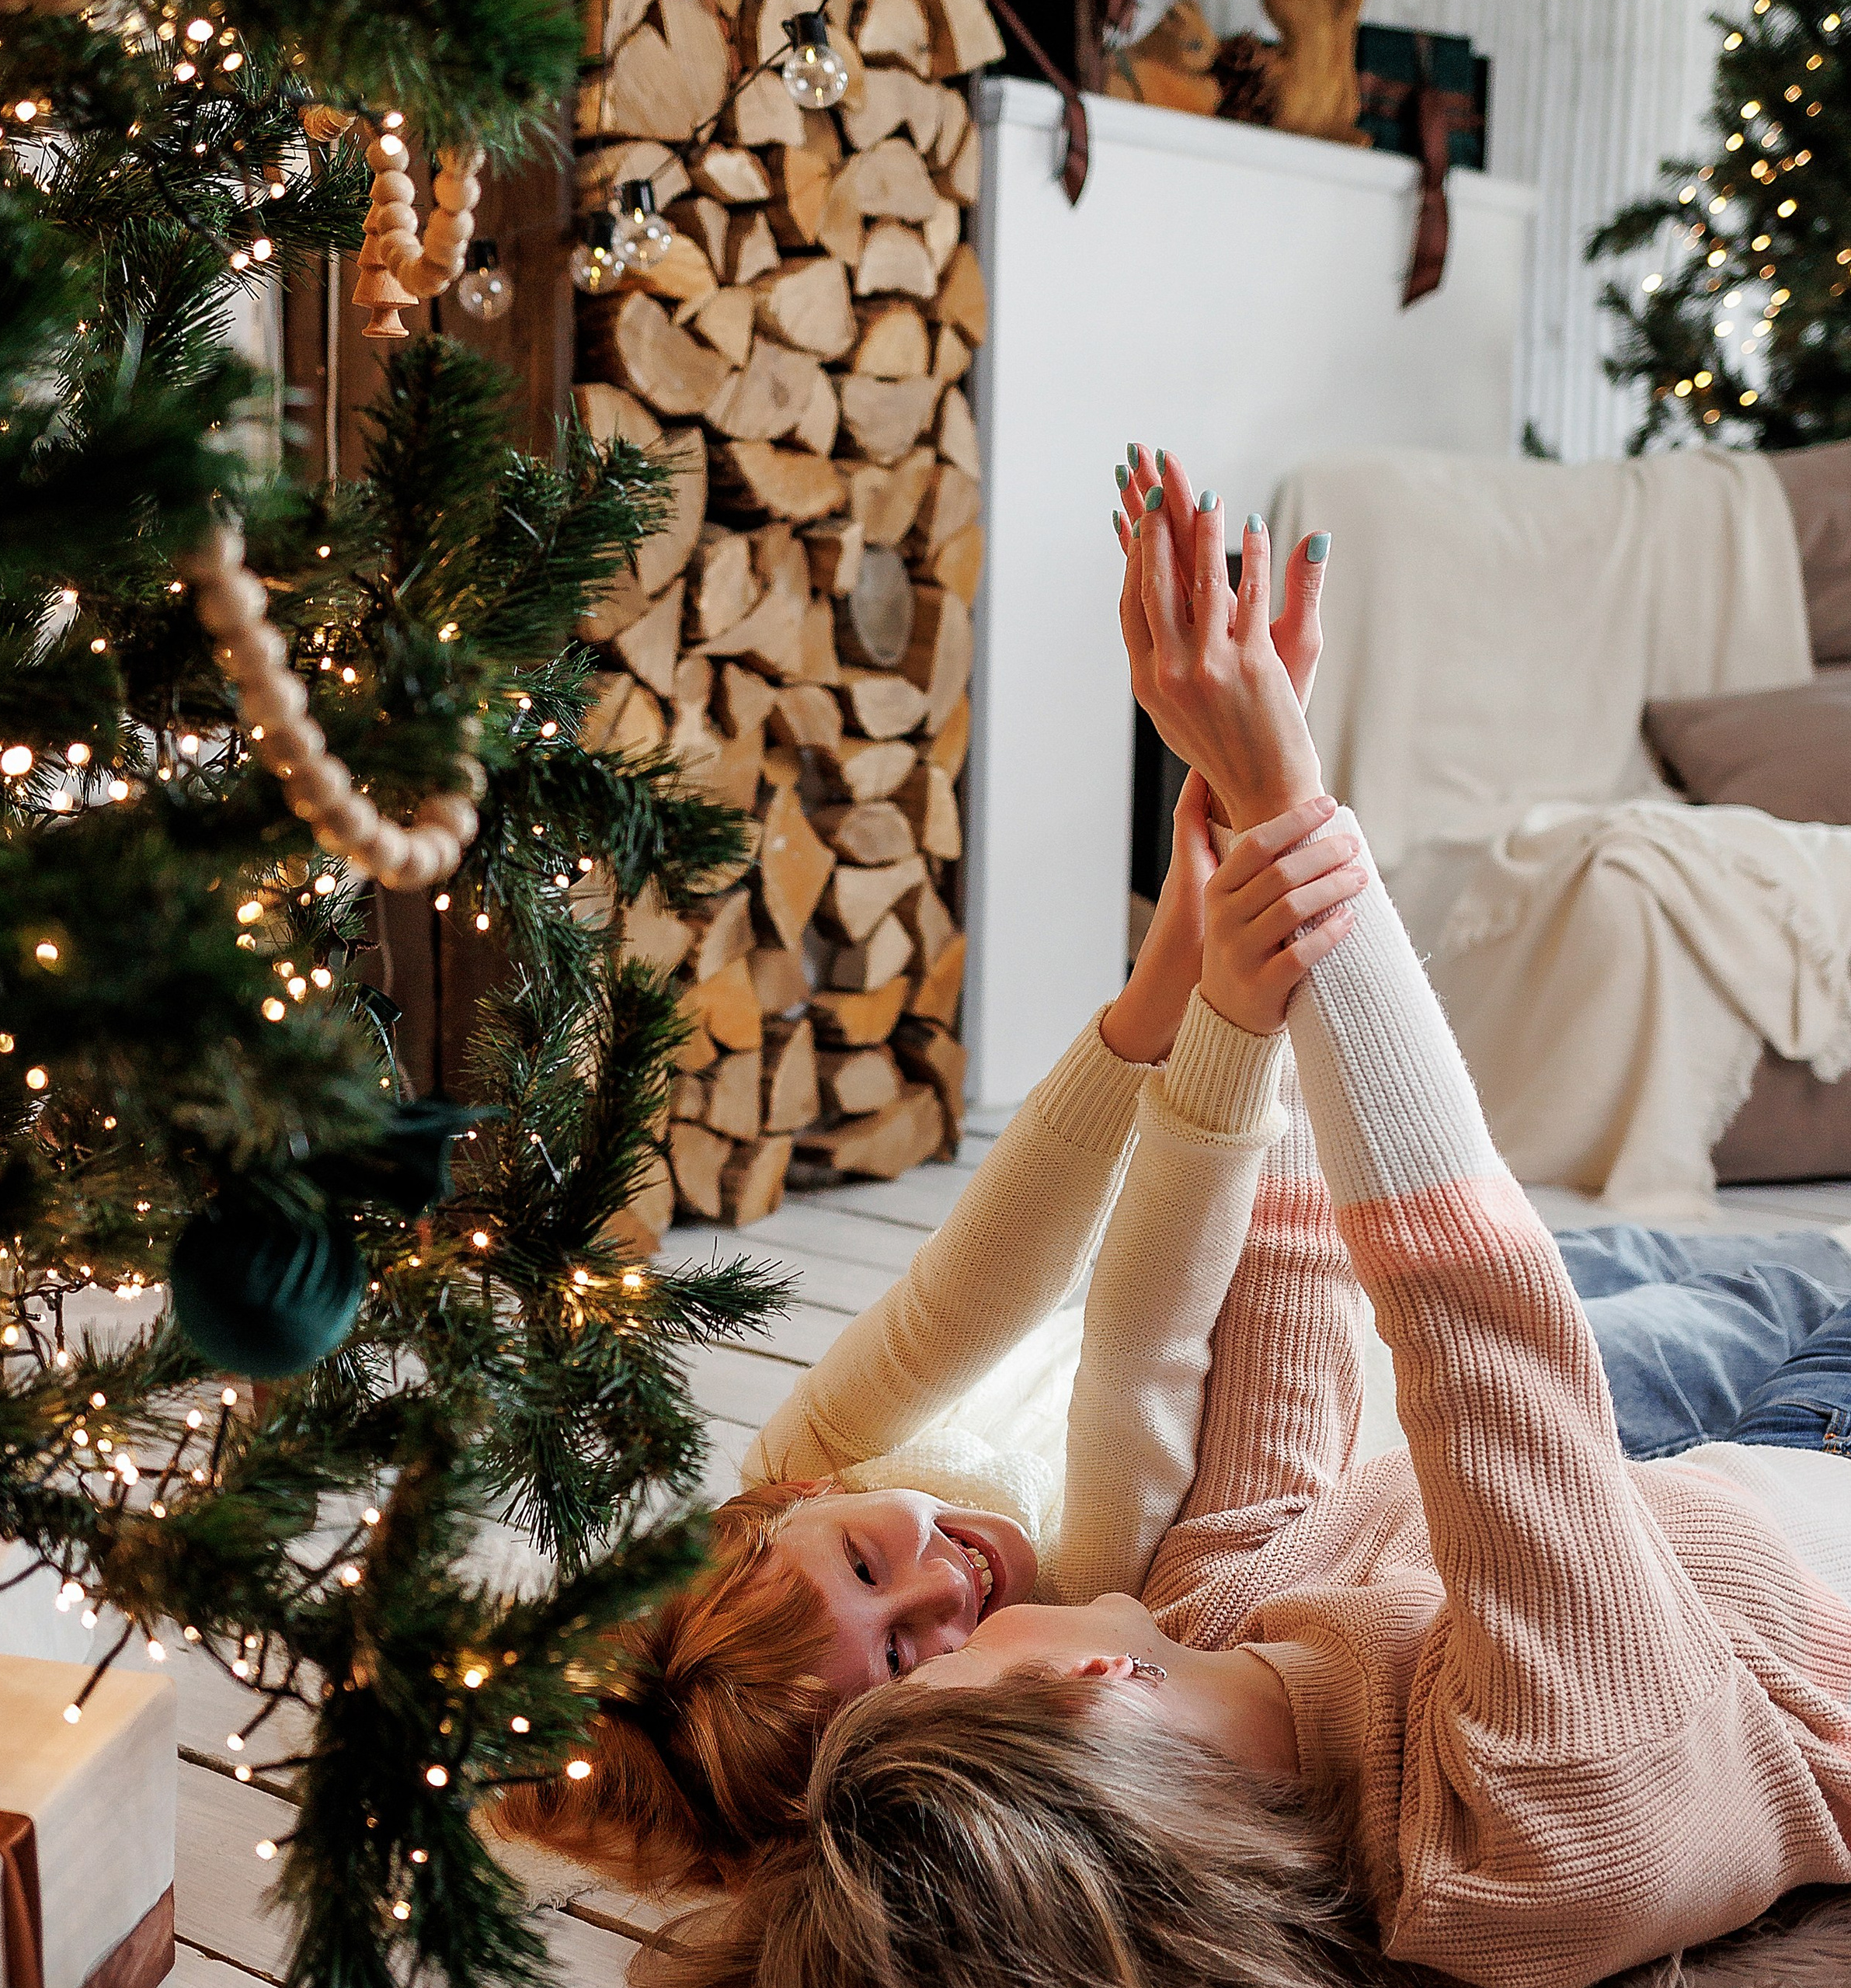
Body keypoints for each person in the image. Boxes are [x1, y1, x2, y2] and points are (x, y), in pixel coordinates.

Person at [492, 450, 1851, 1919]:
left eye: (873, 1557)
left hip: (1399, 1419)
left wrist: (1170, 977)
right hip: (1408, 1422)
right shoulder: (1099, 1620)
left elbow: (978, 1282)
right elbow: (1154, 1352)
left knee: (1703, 1277)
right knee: (1735, 1318)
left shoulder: (823, 1490)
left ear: (809, 1499)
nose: (949, 1585)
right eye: (910, 1654)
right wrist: (1257, 924)